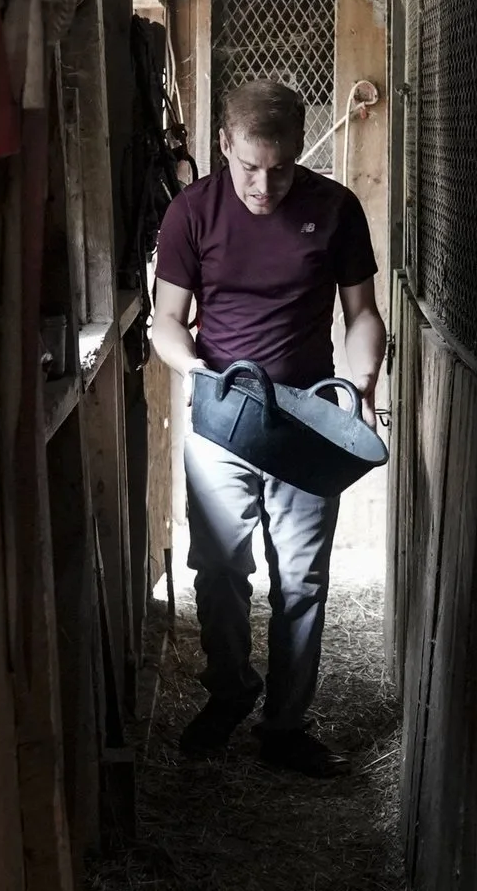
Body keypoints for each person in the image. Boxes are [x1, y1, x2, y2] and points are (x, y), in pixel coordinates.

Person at [151, 80, 386, 777]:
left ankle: (284, 724)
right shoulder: (192, 212)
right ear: (223, 145)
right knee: (219, 567)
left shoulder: (334, 208)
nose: (263, 184)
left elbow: (362, 312)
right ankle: (229, 690)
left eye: (280, 168)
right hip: (222, 412)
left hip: (306, 418)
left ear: (298, 150)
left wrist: (364, 383)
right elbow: (167, 316)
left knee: (303, 580)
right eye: (250, 167)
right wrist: (195, 367)